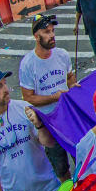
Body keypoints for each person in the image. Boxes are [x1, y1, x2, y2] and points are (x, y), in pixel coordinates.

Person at [19, 14, 75, 180]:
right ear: (37, 37)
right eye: (46, 32)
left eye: (52, 31)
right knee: (60, 167)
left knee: (81, 157)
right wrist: (54, 97)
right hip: (48, 123)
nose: (52, 35)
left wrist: (72, 87)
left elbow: (70, 77)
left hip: (67, 117)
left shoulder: (62, 55)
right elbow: (28, 96)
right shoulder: (28, 64)